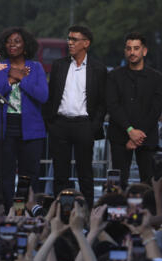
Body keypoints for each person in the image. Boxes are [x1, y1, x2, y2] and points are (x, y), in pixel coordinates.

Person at [43, 25, 107, 207]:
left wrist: (94, 125)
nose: (69, 42)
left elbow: (103, 102)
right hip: (60, 125)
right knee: (60, 175)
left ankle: (86, 214)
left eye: (74, 39)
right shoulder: (59, 65)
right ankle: (60, 212)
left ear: (86, 43)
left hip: (84, 126)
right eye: (69, 38)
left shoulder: (98, 68)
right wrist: (51, 123)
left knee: (85, 174)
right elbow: (51, 95)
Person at [0, 27, 48, 211]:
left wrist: (22, 78)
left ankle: (26, 211)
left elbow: (43, 96)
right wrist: (9, 81)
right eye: (9, 41)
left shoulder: (36, 67)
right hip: (4, 127)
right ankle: (7, 211)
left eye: (17, 41)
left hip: (31, 129)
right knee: (4, 174)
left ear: (25, 45)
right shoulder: (0, 67)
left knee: (29, 175)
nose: (12, 45)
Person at [106, 32, 162, 189]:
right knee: (117, 184)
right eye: (129, 48)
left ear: (144, 51)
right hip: (119, 136)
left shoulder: (157, 78)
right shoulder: (113, 76)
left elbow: (156, 109)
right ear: (125, 51)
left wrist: (138, 135)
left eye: (136, 48)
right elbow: (112, 105)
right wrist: (130, 130)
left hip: (147, 137)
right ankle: (115, 213)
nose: (132, 52)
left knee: (149, 183)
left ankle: (148, 214)